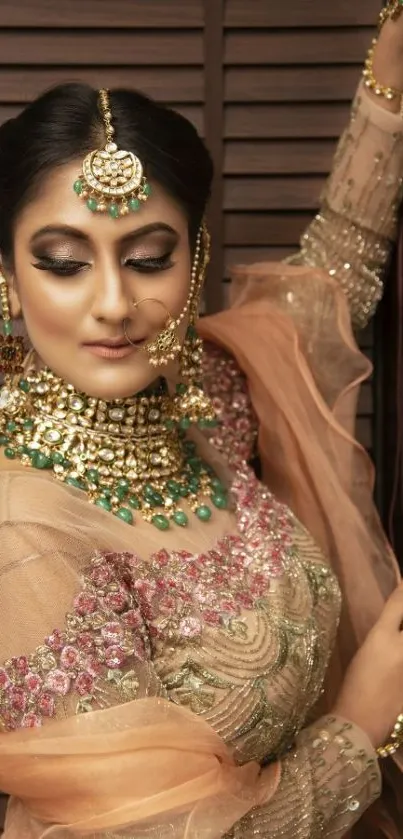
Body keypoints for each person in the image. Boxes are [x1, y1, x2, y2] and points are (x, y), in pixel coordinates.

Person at [0, 5, 402, 839]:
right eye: (64, 263)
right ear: (8, 274)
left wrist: (388, 84)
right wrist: (358, 728)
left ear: (196, 263)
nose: (114, 304)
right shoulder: (20, 533)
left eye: (148, 258)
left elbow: (335, 275)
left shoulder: (204, 390)